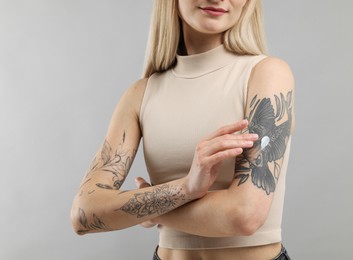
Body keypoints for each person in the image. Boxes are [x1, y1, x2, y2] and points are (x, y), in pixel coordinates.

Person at [71, 0, 295, 259]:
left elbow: (244, 215)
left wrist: (146, 207)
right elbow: (83, 214)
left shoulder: (266, 73)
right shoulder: (141, 94)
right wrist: (186, 188)